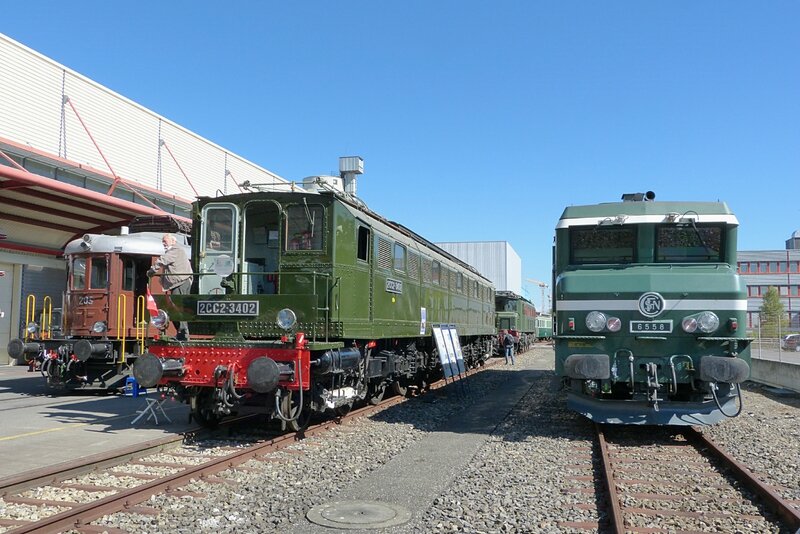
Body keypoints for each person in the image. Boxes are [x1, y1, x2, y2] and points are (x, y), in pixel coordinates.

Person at [148, 233, 192, 341]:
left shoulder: (175, 250)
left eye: (165, 241)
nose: (163, 243)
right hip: (179, 282)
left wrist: (152, 271)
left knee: (176, 308)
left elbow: (162, 260)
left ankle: (183, 334)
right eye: (162, 241)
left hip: (180, 282)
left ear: (173, 241)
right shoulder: (176, 251)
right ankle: (182, 333)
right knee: (175, 308)